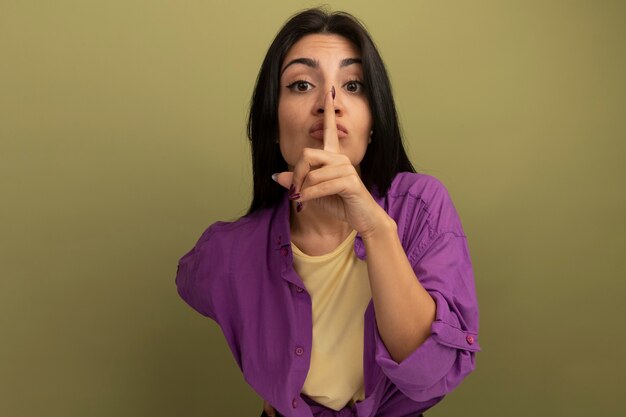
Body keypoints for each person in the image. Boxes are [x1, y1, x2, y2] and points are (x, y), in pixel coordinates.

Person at [175, 7, 480, 417]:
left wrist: (374, 228)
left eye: (352, 85)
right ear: (272, 123)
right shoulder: (229, 251)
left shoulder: (421, 206)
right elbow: (190, 280)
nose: (328, 103)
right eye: (302, 84)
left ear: (374, 122)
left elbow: (431, 372)